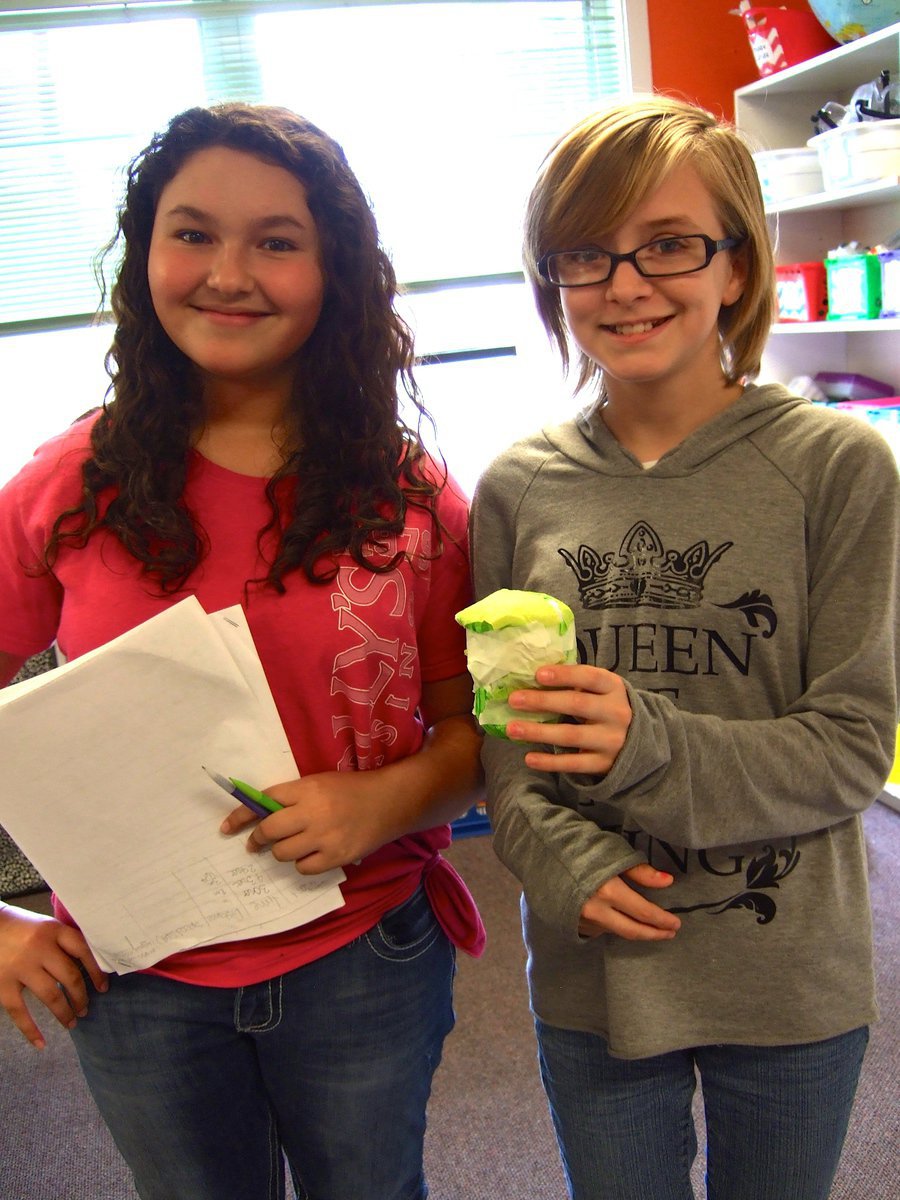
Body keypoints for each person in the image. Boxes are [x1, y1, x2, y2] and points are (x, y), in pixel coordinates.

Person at [0, 102, 484, 1200]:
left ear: (335, 274)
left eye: (276, 240)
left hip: (362, 957)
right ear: (145, 256)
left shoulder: (408, 497)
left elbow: (474, 734)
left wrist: (384, 801)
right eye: (191, 232)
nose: (229, 273)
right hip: (136, 982)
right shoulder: (66, 488)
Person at [470, 96, 899, 1200]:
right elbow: (510, 757)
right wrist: (570, 866)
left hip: (788, 970)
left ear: (739, 267)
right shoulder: (520, 488)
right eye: (585, 253)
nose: (624, 284)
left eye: (667, 243)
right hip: (594, 968)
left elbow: (852, 749)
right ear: (552, 279)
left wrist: (643, 741)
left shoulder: (839, 468)